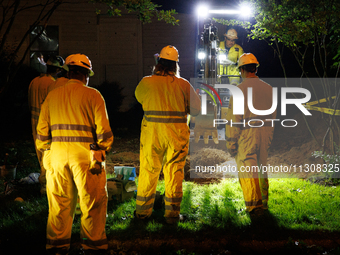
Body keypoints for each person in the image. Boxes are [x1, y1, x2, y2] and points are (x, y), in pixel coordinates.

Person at [36, 53, 113, 254]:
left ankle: (58, 247)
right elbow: (104, 135)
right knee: (92, 204)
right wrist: (102, 149)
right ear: (86, 74)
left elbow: (42, 134)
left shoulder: (52, 96)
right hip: (86, 158)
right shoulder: (94, 95)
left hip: (57, 157)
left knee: (59, 205)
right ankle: (92, 247)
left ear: (68, 72)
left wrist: (47, 151)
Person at [135, 45, 201, 224]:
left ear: (158, 63)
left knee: (149, 170)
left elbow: (139, 98)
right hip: (176, 135)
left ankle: (142, 214)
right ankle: (172, 216)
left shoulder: (146, 82)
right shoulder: (183, 85)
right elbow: (196, 109)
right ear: (175, 65)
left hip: (152, 134)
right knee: (174, 172)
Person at [225, 53, 276, 218]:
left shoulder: (239, 91)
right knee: (261, 168)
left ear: (241, 70)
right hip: (266, 132)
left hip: (247, 134)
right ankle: (264, 204)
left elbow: (234, 120)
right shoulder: (269, 88)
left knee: (248, 170)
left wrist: (231, 144)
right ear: (255, 68)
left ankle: (255, 209)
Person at [28, 55, 64, 194]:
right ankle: (46, 184)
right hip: (46, 123)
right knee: (48, 154)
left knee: (40, 153)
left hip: (34, 122)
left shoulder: (33, 82)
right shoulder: (51, 84)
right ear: (57, 69)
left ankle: (44, 182)